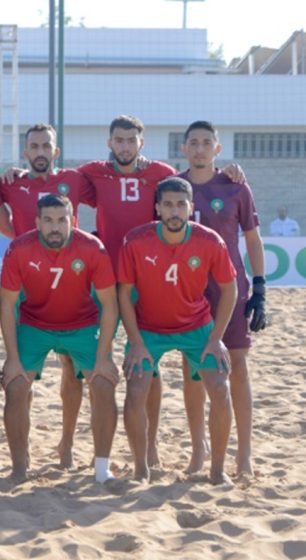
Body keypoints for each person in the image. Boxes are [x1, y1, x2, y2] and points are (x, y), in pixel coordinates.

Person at [119, 177, 237, 485]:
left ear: (191, 208)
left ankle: (217, 470)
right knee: (135, 392)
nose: (174, 211)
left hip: (197, 327)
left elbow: (230, 290)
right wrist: (135, 342)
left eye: (181, 205)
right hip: (148, 329)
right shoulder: (136, 241)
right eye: (168, 205)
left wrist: (216, 339)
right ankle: (141, 469)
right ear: (157, 208)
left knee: (220, 390)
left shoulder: (210, 241)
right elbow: (123, 294)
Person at [0, 194, 119, 483]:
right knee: (15, 385)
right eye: (49, 221)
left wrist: (103, 358)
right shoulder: (19, 249)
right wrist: (12, 360)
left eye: (62, 220)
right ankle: (19, 467)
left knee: (103, 383)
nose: (56, 227)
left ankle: (102, 468)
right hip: (35, 325)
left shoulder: (92, 249)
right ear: (37, 223)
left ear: (73, 221)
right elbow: (5, 306)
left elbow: (110, 306)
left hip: (81, 325)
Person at [0, 123, 97, 469]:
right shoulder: (12, 182)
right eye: (34, 146)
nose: (40, 151)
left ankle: (66, 444)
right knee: (22, 373)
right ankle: (21, 455)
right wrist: (17, 237)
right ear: (26, 152)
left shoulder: (76, 179)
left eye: (46, 146)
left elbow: (114, 190)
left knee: (72, 368)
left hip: (72, 277)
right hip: (29, 278)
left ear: (56, 151)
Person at [180, 120, 267, 478]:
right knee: (192, 369)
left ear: (217, 149)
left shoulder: (235, 187)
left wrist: (260, 288)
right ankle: (198, 449)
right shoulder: (173, 187)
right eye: (193, 142)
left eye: (206, 143)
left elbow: (252, 240)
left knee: (239, 367)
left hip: (230, 290)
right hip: (186, 291)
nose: (199, 148)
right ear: (184, 148)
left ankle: (243, 454)